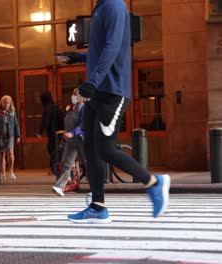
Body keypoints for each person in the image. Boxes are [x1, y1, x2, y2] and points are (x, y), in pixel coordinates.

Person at [57, 0, 170, 223]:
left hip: (112, 92)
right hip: (98, 93)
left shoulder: (114, 6)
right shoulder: (101, 7)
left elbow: (113, 47)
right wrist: (78, 57)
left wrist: (94, 81)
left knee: (106, 149)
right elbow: (101, 51)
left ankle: (154, 183)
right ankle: (98, 207)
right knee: (89, 148)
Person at [52, 88, 85, 196]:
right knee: (66, 163)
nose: (74, 96)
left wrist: (72, 133)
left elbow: (82, 124)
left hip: (81, 140)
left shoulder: (83, 107)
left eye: (77, 94)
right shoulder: (71, 108)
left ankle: (96, 189)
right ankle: (59, 186)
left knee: (89, 163)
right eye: (74, 94)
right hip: (71, 141)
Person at [0, 95, 21, 180]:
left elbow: (16, 124)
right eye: (5, 102)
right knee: (2, 154)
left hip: (10, 135)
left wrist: (18, 135)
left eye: (8, 102)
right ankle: (3, 173)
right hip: (0, 135)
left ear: (10, 103)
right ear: (1, 103)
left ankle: (11, 171)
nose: (6, 104)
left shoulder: (12, 112)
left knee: (10, 152)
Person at [36, 91, 60, 176]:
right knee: (56, 150)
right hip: (58, 131)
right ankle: (55, 168)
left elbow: (45, 121)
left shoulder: (48, 108)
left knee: (52, 150)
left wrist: (40, 132)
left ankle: (54, 168)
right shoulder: (55, 106)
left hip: (52, 132)